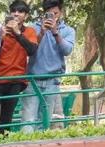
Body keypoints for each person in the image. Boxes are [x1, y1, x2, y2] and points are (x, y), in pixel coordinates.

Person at [0, 0, 36, 136]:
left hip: (15, 80)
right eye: (14, 11)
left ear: (26, 16)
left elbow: (32, 50)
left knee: (6, 119)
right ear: (10, 13)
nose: (16, 14)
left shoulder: (29, 31)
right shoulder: (0, 30)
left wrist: (17, 33)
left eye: (20, 11)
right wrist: (0, 38)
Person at [20, 0, 74, 131]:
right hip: (33, 80)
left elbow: (67, 50)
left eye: (55, 13)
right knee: (28, 120)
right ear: (44, 13)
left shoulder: (68, 30)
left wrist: (56, 32)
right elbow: (29, 50)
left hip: (52, 81)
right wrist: (42, 32)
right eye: (49, 14)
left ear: (60, 12)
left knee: (45, 121)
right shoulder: (33, 28)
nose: (52, 17)